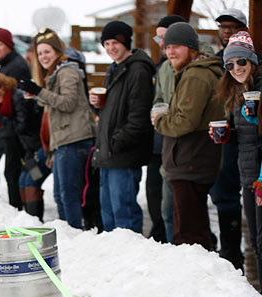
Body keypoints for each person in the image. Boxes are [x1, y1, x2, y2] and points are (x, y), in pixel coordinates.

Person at [153, 22, 223, 249]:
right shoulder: (191, 72)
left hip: (190, 161)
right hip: (190, 161)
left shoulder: (195, 76)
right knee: (195, 227)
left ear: (192, 48)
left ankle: (196, 279)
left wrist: (160, 121)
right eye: (167, 47)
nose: (170, 52)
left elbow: (185, 122)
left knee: (187, 234)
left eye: (177, 46)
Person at [19, 28, 96, 229]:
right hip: (62, 141)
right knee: (60, 195)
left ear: (57, 51)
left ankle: (74, 235)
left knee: (68, 195)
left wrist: (40, 91)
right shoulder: (54, 73)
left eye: (47, 52)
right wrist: (37, 95)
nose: (43, 56)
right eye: (40, 53)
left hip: (74, 140)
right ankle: (69, 235)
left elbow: (69, 103)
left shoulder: (67, 71)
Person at [89, 20, 155, 233]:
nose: (110, 48)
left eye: (114, 43)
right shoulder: (115, 69)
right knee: (108, 215)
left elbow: (139, 117)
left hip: (123, 153)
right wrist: (100, 106)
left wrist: (117, 142)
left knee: (124, 215)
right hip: (109, 153)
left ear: (126, 42)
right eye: (106, 44)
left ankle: (131, 261)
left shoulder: (137, 70)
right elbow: (116, 111)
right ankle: (114, 261)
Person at [210, 9, 262, 270]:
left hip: (258, 176)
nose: (236, 68)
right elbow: (247, 134)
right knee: (255, 239)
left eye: (241, 62)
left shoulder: (257, 86)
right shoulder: (236, 85)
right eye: (230, 65)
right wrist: (228, 135)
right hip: (245, 169)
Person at [0, 72, 44, 218]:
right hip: (17, 144)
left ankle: (30, 217)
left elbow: (22, 126)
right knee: (14, 175)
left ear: (4, 85)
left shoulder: (16, 96)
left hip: (30, 145)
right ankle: (22, 215)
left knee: (31, 177)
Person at [0, 27, 32, 207]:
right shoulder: (6, 64)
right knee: (10, 170)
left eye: (0, 45)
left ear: (9, 46)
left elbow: (16, 101)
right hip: (8, 125)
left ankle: (18, 208)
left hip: (15, 128)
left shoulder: (16, 66)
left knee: (13, 171)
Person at [150, 14, 186, 243]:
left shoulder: (198, 67)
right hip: (162, 141)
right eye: (160, 38)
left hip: (189, 147)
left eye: (168, 39)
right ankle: (165, 246)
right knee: (162, 205)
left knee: (184, 211)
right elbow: (159, 99)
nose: (163, 44)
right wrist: (157, 112)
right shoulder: (162, 67)